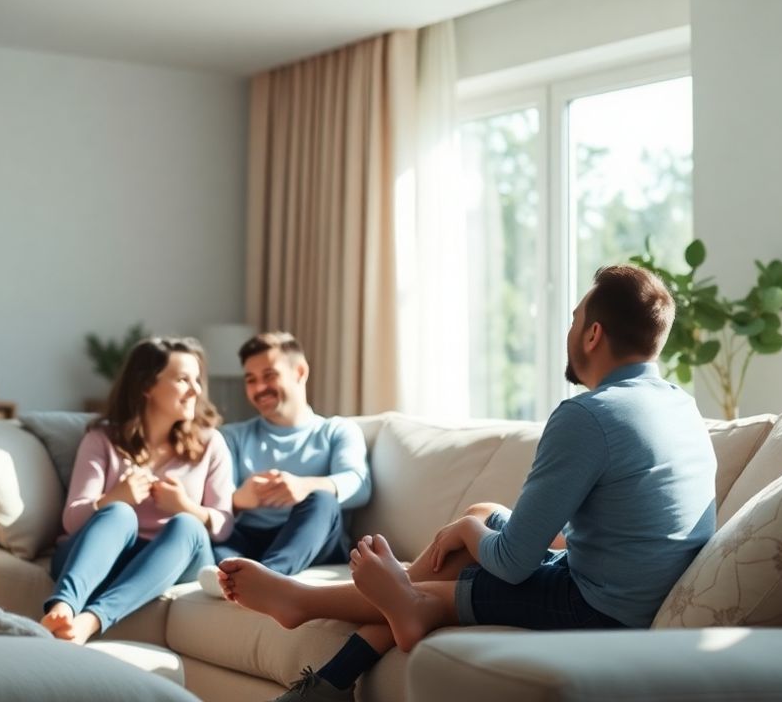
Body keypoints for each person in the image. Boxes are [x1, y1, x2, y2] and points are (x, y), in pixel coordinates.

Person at [217, 264, 718, 701]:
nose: (569, 330)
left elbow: (513, 564)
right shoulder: (679, 405)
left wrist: (461, 533)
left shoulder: (588, 416)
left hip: (598, 608)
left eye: (573, 319)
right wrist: (471, 525)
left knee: (448, 573)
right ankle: (339, 662)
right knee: (482, 511)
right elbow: (633, 528)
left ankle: (312, 603)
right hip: (633, 587)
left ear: (593, 335)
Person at [42, 336, 235, 644]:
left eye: (197, 380)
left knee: (188, 524)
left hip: (173, 557)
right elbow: (72, 521)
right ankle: (62, 608)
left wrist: (186, 506)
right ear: (147, 386)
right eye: (183, 380)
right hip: (105, 553)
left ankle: (89, 622)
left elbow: (224, 527)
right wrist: (115, 497)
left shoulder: (211, 444)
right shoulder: (102, 440)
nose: (196, 390)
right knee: (118, 513)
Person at [196, 331, 370, 596]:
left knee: (322, 500)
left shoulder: (337, 430)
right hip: (249, 537)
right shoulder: (231, 437)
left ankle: (259, 578)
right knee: (217, 531)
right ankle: (238, 576)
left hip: (312, 539)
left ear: (299, 372)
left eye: (269, 376)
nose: (259, 388)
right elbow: (211, 504)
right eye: (251, 380)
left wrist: (304, 486)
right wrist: (240, 499)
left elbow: (360, 485)